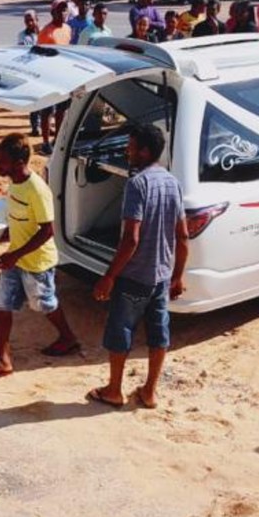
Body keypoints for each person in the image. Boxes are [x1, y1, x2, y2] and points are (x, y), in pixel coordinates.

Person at [88, 123, 188, 409]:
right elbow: (182, 235)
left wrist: (109, 276)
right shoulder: (172, 182)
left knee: (120, 331)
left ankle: (114, 390)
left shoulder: (137, 184)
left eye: (130, 147)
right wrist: (177, 276)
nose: (126, 151)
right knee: (159, 334)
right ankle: (149, 392)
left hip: (134, 277)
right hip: (161, 275)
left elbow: (131, 239)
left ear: (144, 151)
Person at [0, 133, 79, 380]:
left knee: (45, 304)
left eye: (1, 160)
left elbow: (48, 230)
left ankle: (68, 338)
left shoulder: (37, 190)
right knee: (2, 305)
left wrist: (15, 254)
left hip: (37, 263)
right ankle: (4, 359)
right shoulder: (14, 183)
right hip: (16, 258)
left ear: (17, 162)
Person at [37, 0, 72, 155]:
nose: (64, 13)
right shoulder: (46, 32)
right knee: (48, 110)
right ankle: (45, 141)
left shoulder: (68, 29)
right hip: (48, 75)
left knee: (62, 110)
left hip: (64, 74)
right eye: (60, 10)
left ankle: (57, 139)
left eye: (65, 10)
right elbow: (38, 54)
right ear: (53, 13)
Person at [17, 9, 41, 136]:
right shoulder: (22, 36)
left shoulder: (44, 33)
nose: (30, 23)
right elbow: (24, 52)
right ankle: (35, 126)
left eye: (32, 20)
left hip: (44, 70)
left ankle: (45, 124)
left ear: (37, 20)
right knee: (34, 100)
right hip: (31, 70)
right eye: (27, 21)